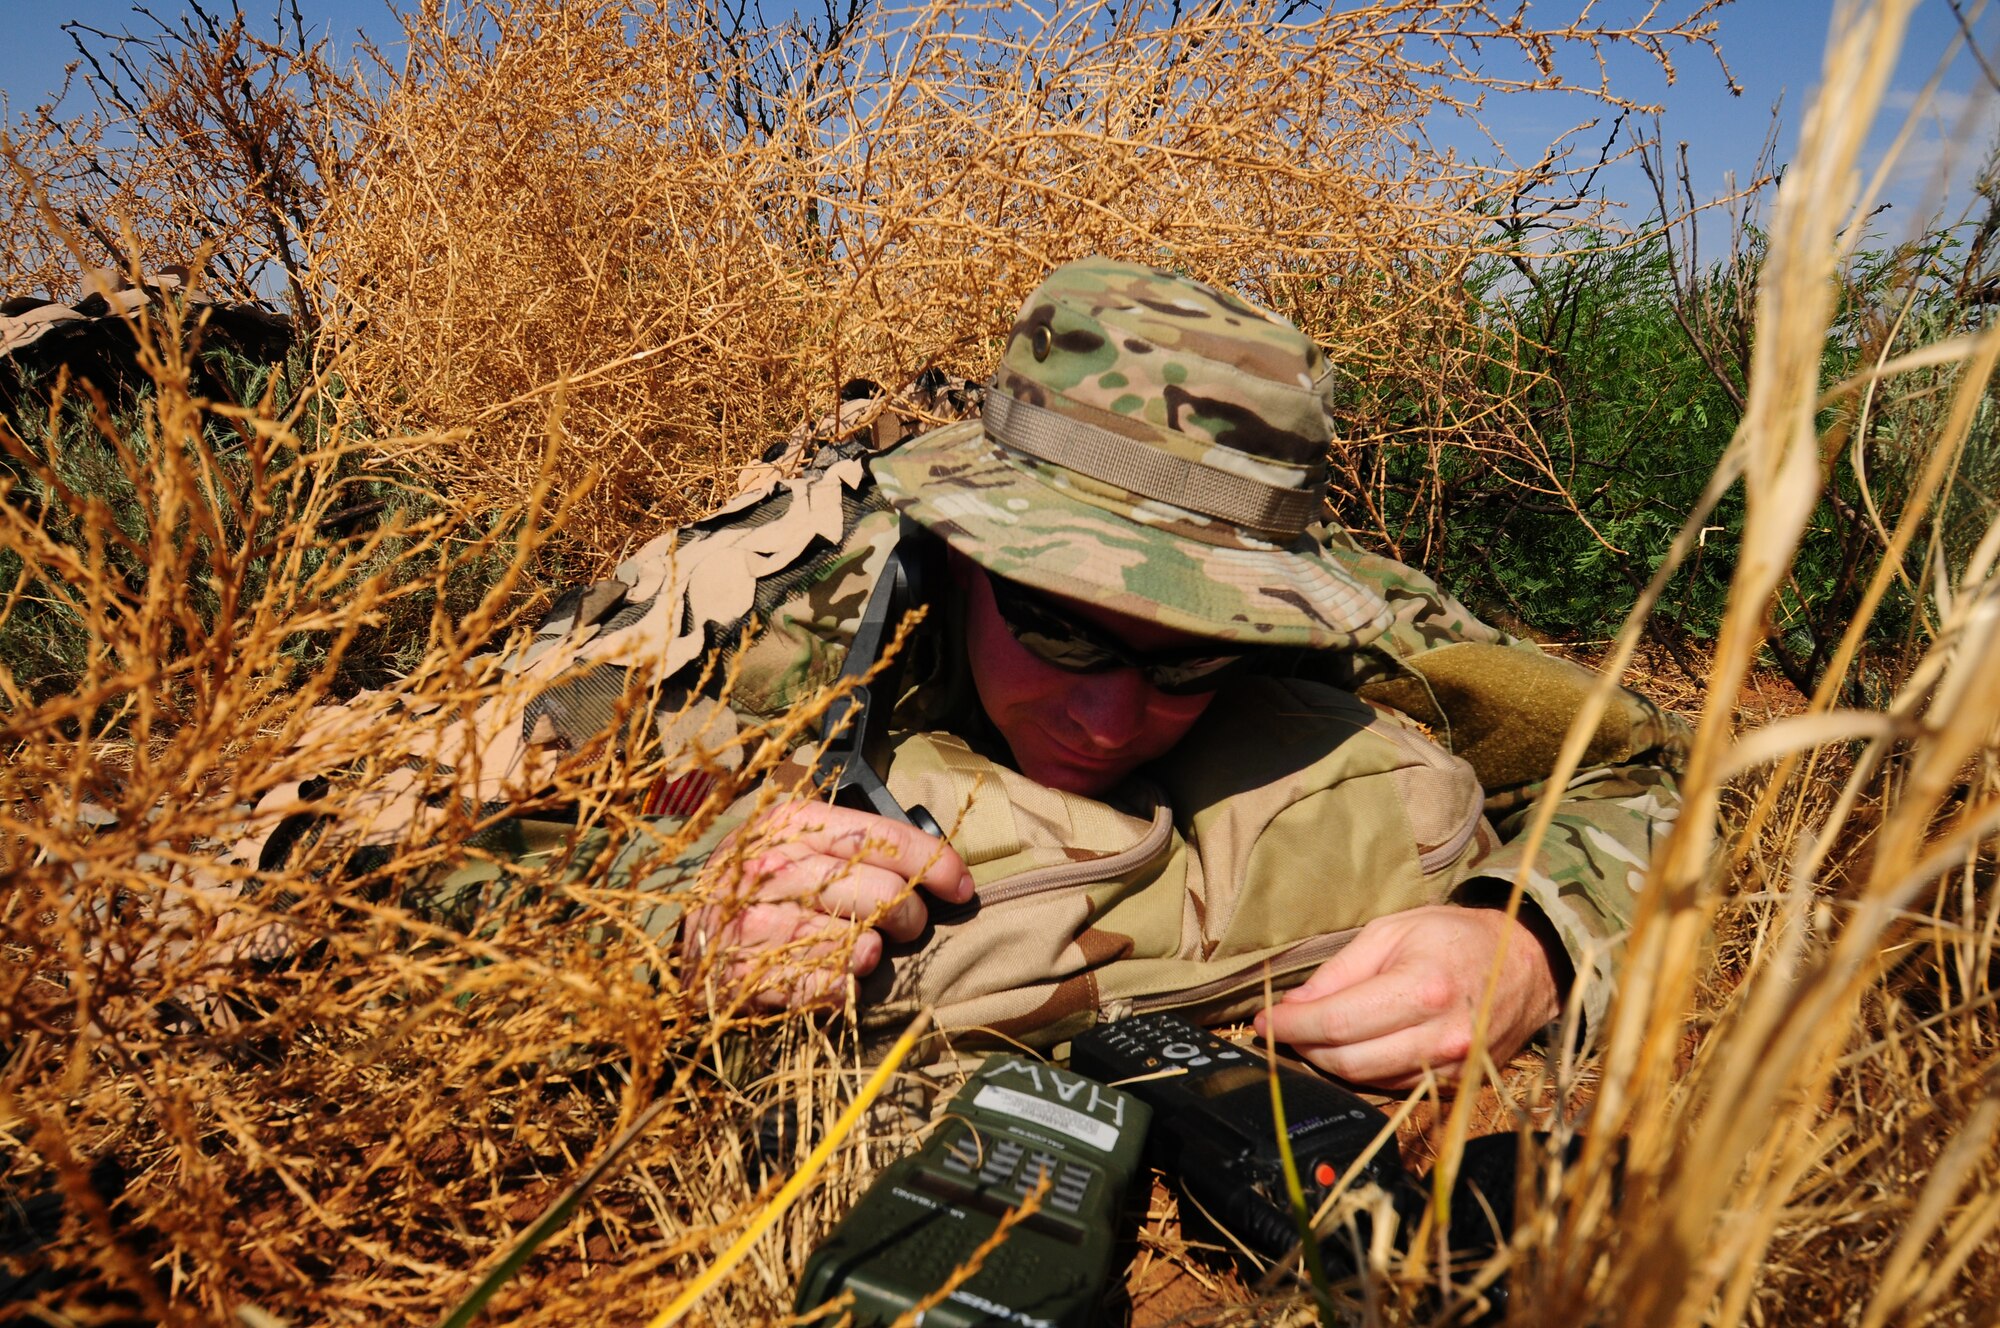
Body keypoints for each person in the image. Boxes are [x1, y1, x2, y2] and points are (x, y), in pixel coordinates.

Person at [241, 256, 1684, 1089]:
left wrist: (1531, 932)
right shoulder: (779, 603)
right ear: (958, 556)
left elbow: (1648, 772)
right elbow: (352, 822)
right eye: (1062, 630)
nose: (1116, 716)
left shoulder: (1341, 611)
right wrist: (674, 897)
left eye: (1194, 664)